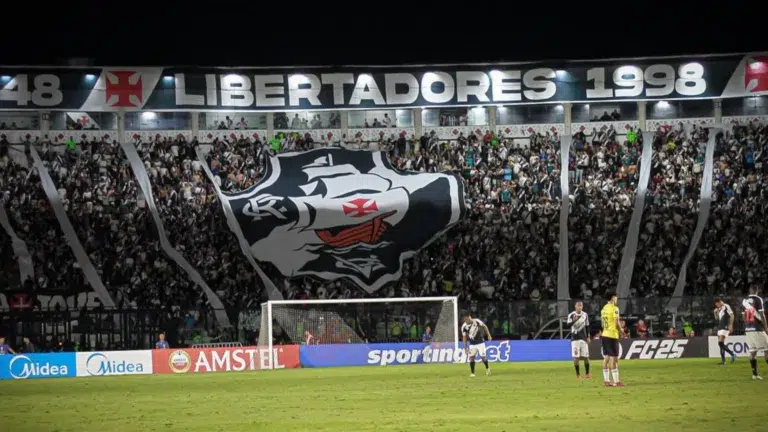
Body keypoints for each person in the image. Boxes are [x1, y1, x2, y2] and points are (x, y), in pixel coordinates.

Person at [742, 286, 768, 380]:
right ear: (757, 290)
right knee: (767, 350)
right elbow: (762, 315)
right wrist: (766, 327)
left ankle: (755, 374)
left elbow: (743, 316)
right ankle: (755, 375)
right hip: (757, 328)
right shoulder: (758, 299)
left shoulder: (744, 301)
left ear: (750, 291)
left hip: (748, 329)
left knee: (753, 352)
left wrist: (746, 326)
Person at [600, 293, 625, 387]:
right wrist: (621, 331)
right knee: (613, 358)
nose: (617, 300)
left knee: (606, 358)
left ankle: (606, 381)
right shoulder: (614, 308)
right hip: (612, 335)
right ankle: (616, 381)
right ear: (613, 298)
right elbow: (616, 323)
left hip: (604, 334)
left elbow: (602, 324)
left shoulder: (603, 309)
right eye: (616, 298)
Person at [567, 301, 591, 380]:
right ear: (575, 306)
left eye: (581, 306)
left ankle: (587, 373)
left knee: (586, 357)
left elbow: (587, 326)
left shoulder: (585, 315)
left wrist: (588, 336)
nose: (580, 307)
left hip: (583, 338)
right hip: (575, 339)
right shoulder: (571, 315)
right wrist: (574, 320)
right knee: (576, 357)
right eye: (578, 305)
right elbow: (568, 325)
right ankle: (578, 374)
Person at [714, 297, 736, 365]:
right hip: (720, 326)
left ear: (720, 302)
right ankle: (723, 361)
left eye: (717, 304)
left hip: (725, 326)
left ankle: (732, 354)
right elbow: (717, 318)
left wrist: (731, 325)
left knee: (720, 342)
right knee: (721, 344)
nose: (717, 306)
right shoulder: (719, 309)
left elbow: (732, 315)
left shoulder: (726, 306)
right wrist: (715, 312)